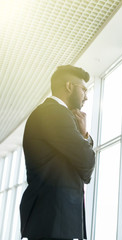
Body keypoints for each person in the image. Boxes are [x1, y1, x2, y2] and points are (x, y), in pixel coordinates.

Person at [20, 65, 96, 240]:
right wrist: (84, 135)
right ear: (69, 86)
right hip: (54, 216)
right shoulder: (55, 112)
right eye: (83, 89)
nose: (86, 96)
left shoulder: (49, 112)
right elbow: (86, 163)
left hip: (50, 217)